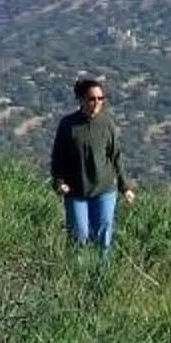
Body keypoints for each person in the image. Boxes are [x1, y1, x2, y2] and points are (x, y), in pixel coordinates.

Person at [48, 75, 133, 256]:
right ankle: (78, 276)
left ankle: (102, 276)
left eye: (100, 99)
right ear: (81, 100)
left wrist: (124, 187)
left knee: (103, 237)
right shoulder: (68, 125)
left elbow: (116, 155)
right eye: (92, 99)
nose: (97, 103)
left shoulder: (107, 124)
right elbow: (58, 157)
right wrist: (58, 182)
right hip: (76, 191)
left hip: (104, 189)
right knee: (80, 235)